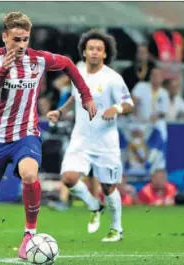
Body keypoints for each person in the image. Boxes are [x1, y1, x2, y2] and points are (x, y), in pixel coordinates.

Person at [0, 12, 96, 263]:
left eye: (25, 39)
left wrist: (85, 96)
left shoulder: (38, 60)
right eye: (16, 39)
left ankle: (29, 235)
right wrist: (2, 71)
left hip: (26, 133)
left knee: (30, 174)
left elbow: (68, 65)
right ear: (5, 36)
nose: (20, 45)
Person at [47, 29, 134, 242]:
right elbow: (75, 99)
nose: (95, 52)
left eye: (99, 49)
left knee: (108, 187)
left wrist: (117, 109)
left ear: (105, 54)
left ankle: (116, 229)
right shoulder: (77, 71)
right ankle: (95, 206)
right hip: (81, 139)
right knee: (68, 178)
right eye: (91, 49)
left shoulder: (113, 78)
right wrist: (60, 112)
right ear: (84, 52)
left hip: (106, 141)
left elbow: (129, 104)